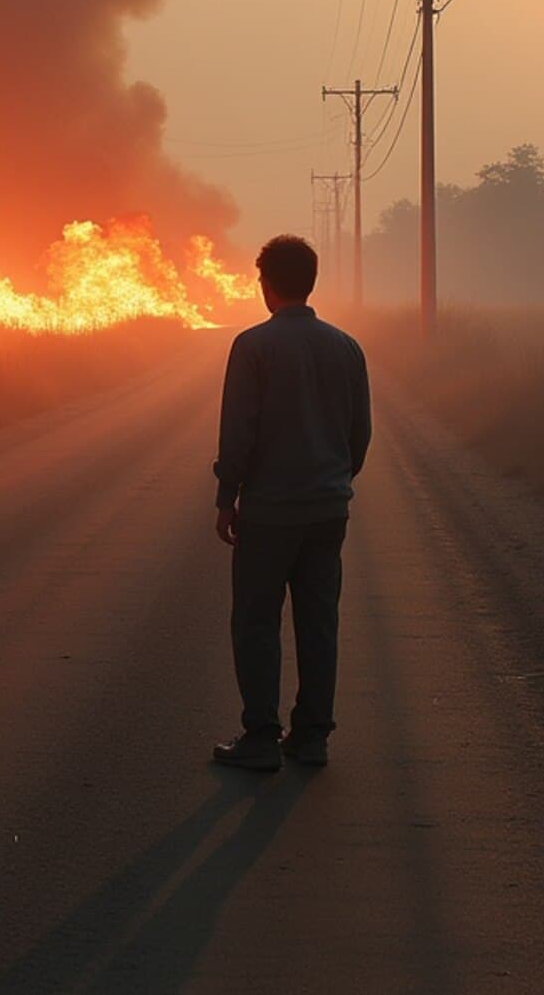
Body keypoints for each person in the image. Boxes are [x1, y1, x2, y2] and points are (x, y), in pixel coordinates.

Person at [209, 235, 371, 772]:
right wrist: (334, 481)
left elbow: (239, 434)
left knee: (257, 621)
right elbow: (360, 435)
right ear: (311, 282)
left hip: (270, 512)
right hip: (328, 510)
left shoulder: (252, 346)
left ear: (267, 285)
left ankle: (260, 737)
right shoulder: (347, 347)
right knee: (318, 622)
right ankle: (311, 737)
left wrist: (227, 497)